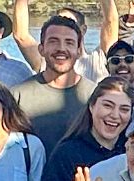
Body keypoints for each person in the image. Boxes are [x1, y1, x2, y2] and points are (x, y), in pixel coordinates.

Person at [14, 15, 99, 146]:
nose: (61, 48)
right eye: (53, 41)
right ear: (41, 49)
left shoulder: (95, 96)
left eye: (69, 42)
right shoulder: (18, 96)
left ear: (78, 51)